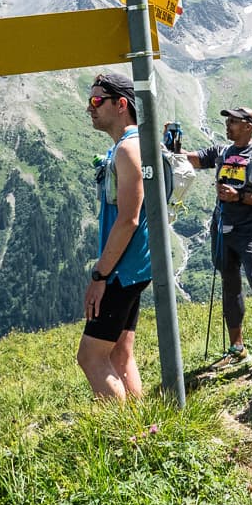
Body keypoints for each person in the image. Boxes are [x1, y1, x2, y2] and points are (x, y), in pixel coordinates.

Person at [76, 71, 154, 401]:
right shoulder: (135, 146)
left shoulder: (127, 150)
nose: (90, 108)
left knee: (91, 357)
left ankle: (125, 436)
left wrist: (100, 275)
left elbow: (127, 220)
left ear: (121, 104)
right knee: (120, 353)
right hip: (136, 266)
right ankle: (143, 429)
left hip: (122, 269)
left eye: (97, 100)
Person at [184, 106, 252, 361]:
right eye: (227, 121)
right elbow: (189, 159)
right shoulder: (221, 152)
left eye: (233, 122)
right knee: (230, 284)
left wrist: (240, 196)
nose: (228, 125)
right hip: (222, 228)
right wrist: (170, 145)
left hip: (249, 230)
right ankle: (237, 347)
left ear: (248, 126)